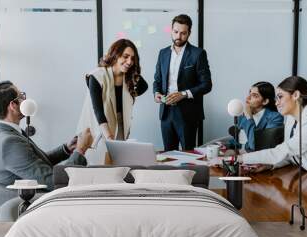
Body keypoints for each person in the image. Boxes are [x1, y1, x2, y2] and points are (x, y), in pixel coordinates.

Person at [0, 80, 93, 192]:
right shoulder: (9, 143)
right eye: (21, 96)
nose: (24, 99)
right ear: (13, 106)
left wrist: (66, 149)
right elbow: (54, 181)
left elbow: (35, 163)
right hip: (36, 203)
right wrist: (80, 150)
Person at [237, 76, 307, 182]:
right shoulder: (291, 118)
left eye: (280, 97)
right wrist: (269, 165)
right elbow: (291, 154)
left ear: (295, 95)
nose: (276, 103)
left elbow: (281, 152)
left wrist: (237, 159)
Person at [153, 14, 212, 151]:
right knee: (168, 154)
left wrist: (184, 94)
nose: (179, 36)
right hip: (166, 112)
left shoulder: (198, 54)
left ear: (189, 33)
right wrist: (156, 93)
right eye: (176, 32)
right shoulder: (163, 53)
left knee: (188, 154)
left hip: (188, 114)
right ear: (171, 30)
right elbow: (157, 80)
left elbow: (207, 84)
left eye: (183, 33)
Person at [77, 38, 148, 143]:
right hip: (98, 126)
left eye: (132, 59)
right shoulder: (97, 76)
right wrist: (109, 137)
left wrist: (132, 93)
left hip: (119, 125)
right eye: (125, 57)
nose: (129, 62)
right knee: (99, 156)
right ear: (115, 55)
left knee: (119, 158)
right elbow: (99, 112)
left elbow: (144, 86)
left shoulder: (128, 78)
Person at [228, 81, 284, 152]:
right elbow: (238, 141)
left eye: (254, 95)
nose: (248, 98)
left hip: (262, 160)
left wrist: (249, 117)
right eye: (249, 93)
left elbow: (255, 145)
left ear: (265, 101)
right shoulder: (242, 115)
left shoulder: (275, 117)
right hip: (242, 158)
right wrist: (231, 150)